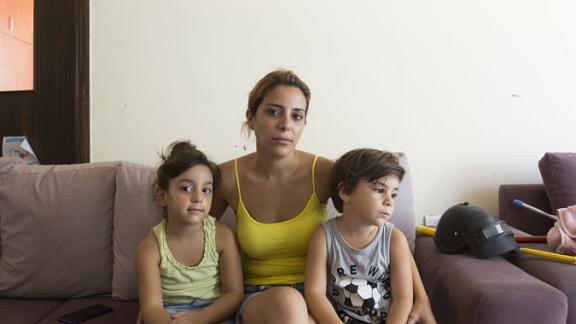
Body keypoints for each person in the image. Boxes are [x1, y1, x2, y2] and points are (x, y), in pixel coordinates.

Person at [210, 69, 435, 324]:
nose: (286, 124)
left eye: (297, 116)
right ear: (251, 117)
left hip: (327, 301)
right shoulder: (227, 178)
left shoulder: (324, 172)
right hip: (263, 298)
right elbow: (194, 234)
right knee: (288, 303)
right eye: (273, 112)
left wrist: (422, 298)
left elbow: (386, 235)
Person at [136, 141, 244, 324]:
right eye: (186, 188)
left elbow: (234, 294)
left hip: (214, 313)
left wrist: (201, 318)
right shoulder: (150, 247)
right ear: (162, 196)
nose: (198, 198)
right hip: (170, 317)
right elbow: (151, 309)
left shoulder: (223, 236)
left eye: (206, 190)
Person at [305, 148, 413, 324]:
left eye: (394, 194)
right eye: (379, 190)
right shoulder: (323, 236)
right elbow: (314, 293)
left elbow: (403, 298)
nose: (389, 201)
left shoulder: (394, 238)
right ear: (346, 192)